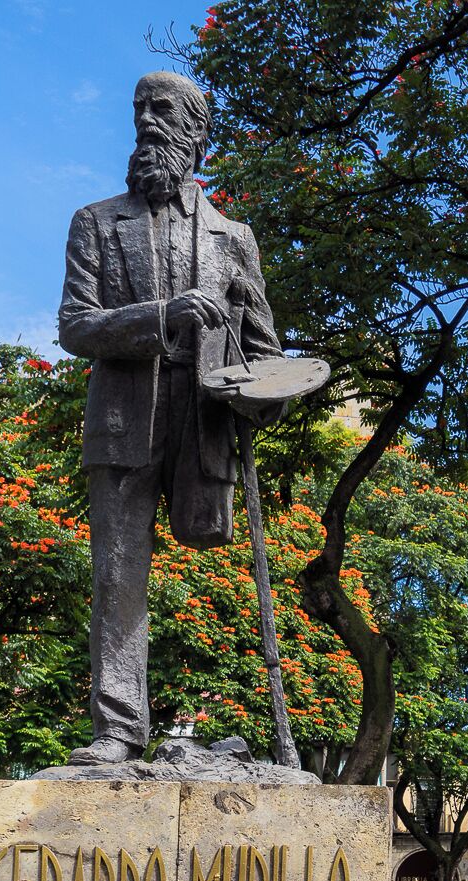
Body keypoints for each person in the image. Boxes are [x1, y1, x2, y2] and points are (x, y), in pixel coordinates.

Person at [57, 71, 289, 765]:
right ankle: (118, 729)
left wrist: (265, 384)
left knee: (215, 576)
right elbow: (75, 325)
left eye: (162, 110)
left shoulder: (233, 238)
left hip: (203, 424)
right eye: (139, 110)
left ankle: (232, 734)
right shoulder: (96, 222)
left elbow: (264, 354)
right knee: (118, 576)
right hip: (124, 424)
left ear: (196, 130)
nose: (146, 122)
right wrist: (163, 316)